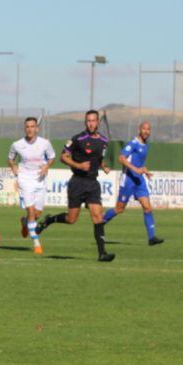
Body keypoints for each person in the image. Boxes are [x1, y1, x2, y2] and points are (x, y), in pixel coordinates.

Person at [35, 110, 114, 261]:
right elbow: (63, 157)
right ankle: (49, 220)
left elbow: (98, 158)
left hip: (92, 183)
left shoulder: (104, 141)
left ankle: (102, 253)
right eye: (88, 121)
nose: (91, 123)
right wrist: (78, 165)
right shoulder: (77, 139)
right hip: (77, 182)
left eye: (93, 121)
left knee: (98, 216)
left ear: (98, 122)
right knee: (72, 219)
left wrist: (103, 166)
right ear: (86, 122)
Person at [103, 121, 164, 245]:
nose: (146, 131)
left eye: (148, 129)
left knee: (147, 207)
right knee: (119, 209)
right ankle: (100, 222)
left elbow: (139, 163)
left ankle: (151, 238)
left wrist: (144, 170)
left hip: (139, 180)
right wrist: (135, 169)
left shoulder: (146, 145)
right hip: (128, 180)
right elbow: (121, 158)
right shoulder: (133, 144)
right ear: (139, 129)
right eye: (144, 129)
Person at [7, 117, 55, 254]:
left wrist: (46, 166)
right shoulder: (17, 144)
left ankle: (25, 222)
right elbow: (10, 159)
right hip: (25, 179)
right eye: (27, 126)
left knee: (37, 213)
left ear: (37, 128)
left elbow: (52, 157)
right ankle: (36, 242)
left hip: (40, 179)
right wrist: (13, 166)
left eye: (32, 126)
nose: (30, 129)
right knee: (31, 211)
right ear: (25, 128)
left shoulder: (45, 143)